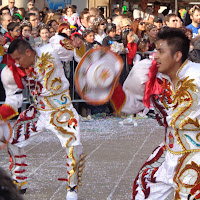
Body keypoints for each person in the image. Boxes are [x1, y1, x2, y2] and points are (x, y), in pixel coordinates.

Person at [110, 27, 200, 199]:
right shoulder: (148, 75)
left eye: (160, 51)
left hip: (196, 154)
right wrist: (112, 89)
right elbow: (129, 106)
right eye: (155, 49)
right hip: (168, 151)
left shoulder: (197, 76)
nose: (155, 55)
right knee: (144, 191)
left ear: (177, 55)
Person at [1, 37, 86, 200]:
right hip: (39, 111)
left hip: (62, 110)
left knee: (73, 146)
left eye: (18, 58)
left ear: (28, 52)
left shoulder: (52, 49)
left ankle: (72, 188)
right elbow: (13, 100)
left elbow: (76, 56)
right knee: (13, 139)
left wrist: (78, 46)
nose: (17, 63)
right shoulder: (13, 71)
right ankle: (19, 180)